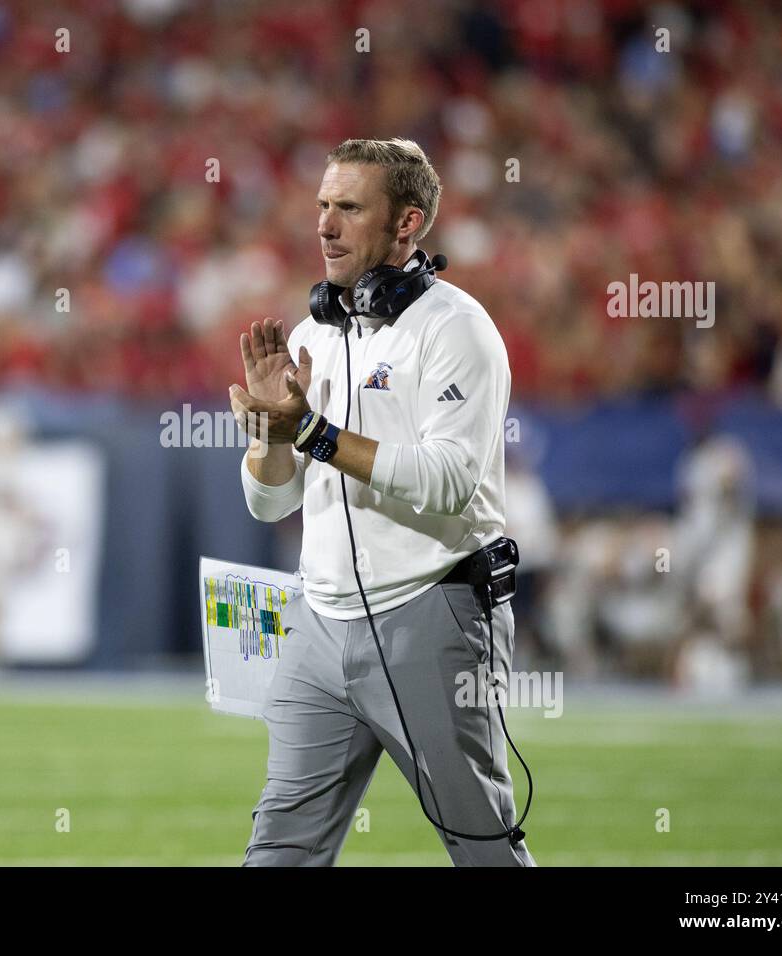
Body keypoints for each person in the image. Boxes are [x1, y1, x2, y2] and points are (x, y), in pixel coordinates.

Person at [229, 139, 534, 866]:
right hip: (319, 625)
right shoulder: (313, 335)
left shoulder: (458, 329)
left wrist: (312, 429)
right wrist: (276, 439)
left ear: (408, 222)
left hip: (430, 615)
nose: (325, 226)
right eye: (322, 207)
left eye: (349, 208)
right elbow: (271, 506)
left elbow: (448, 479)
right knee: (279, 847)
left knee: (479, 842)